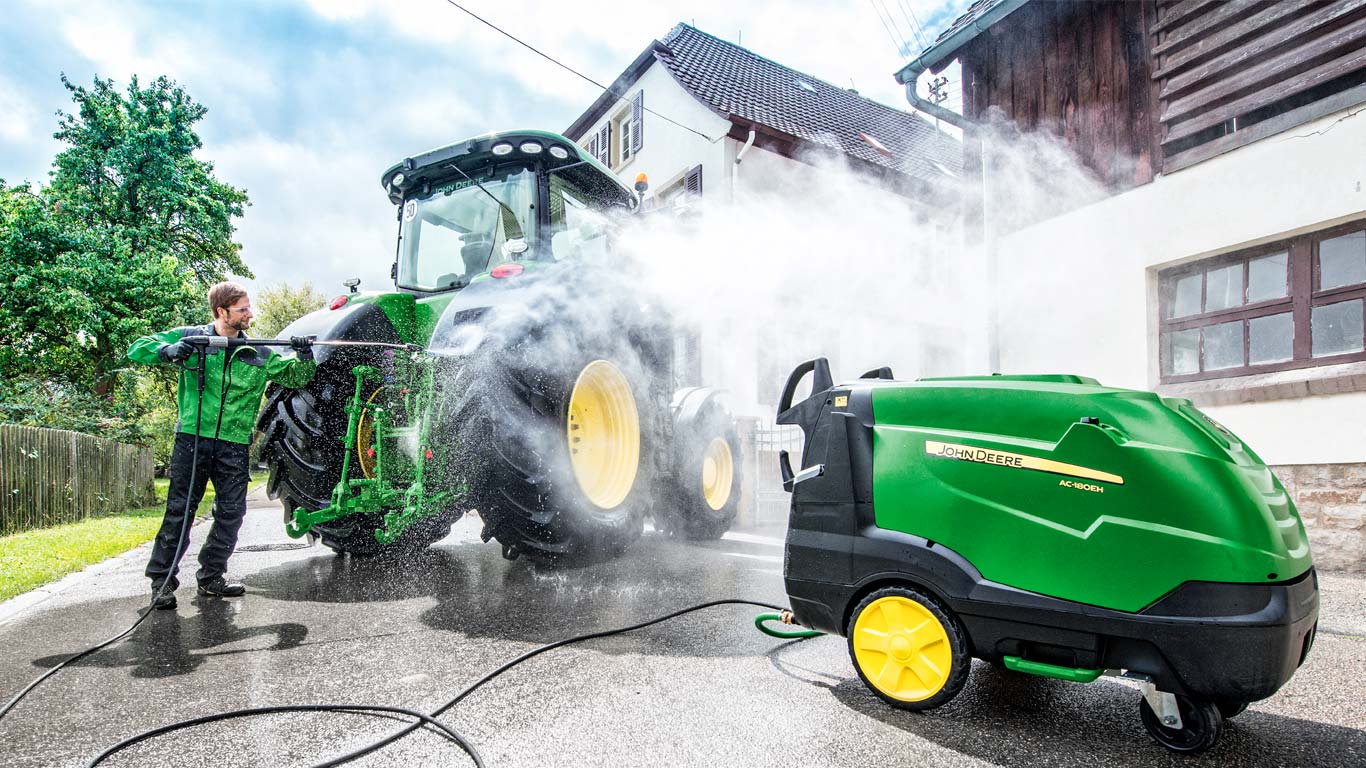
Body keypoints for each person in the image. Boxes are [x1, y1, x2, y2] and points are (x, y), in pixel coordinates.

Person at [127, 282, 316, 609]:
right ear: (221, 312)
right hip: (193, 440)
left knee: (231, 513)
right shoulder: (192, 338)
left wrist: (304, 353)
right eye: (242, 309)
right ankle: (162, 583)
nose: (249, 314)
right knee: (180, 512)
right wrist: (167, 351)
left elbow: (298, 376)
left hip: (233, 445)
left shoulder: (258, 353)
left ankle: (212, 577)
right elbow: (137, 348)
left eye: (248, 307)